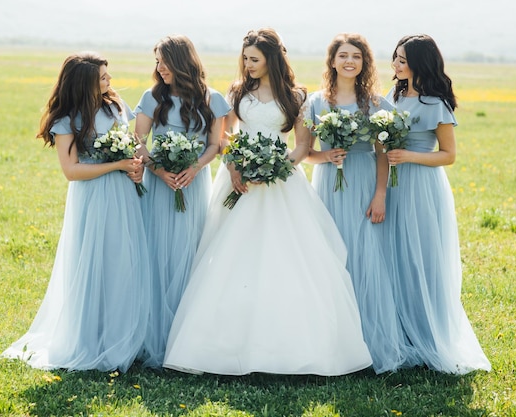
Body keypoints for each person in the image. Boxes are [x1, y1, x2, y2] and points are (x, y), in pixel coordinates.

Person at [163, 28, 372, 376]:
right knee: (231, 257)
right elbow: (225, 138)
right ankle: (222, 345)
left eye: (254, 60)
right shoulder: (237, 91)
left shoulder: (296, 96)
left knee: (285, 257)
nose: (248, 65)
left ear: (272, 59)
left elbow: (303, 146)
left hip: (281, 184)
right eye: (245, 59)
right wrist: (234, 169)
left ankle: (287, 346)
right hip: (238, 180)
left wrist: (277, 168)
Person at [2, 52, 150, 372]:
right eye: (102, 78)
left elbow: (132, 146)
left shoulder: (116, 107)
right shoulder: (66, 120)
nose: (109, 81)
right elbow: (71, 170)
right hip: (93, 198)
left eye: (108, 76)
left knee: (122, 262)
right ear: (84, 83)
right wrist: (117, 165)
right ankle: (90, 339)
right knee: (95, 262)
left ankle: (123, 336)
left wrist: (134, 168)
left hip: (123, 195)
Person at [384, 34, 491, 374]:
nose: (397, 65)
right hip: (392, 184)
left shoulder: (436, 104)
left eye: (403, 59)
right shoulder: (393, 96)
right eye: (395, 59)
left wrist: (409, 156)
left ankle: (430, 333)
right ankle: (400, 331)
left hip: (421, 186)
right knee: (395, 254)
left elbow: (449, 155)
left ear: (420, 62)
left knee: (423, 256)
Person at [306, 33, 405, 374]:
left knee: (365, 257)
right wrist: (326, 155)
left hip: (364, 182)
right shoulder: (316, 102)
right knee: (330, 258)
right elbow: (305, 153)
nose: (350, 61)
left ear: (364, 63)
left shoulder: (377, 105)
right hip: (329, 185)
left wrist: (380, 195)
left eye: (357, 57)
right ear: (332, 61)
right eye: (343, 55)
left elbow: (384, 155)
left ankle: (368, 342)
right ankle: (332, 343)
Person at [134, 35, 229, 368]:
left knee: (188, 253)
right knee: (156, 252)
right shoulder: (152, 97)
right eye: (156, 62)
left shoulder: (213, 99)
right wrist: (159, 170)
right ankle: (151, 335)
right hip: (159, 185)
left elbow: (215, 146)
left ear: (181, 61)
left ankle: (185, 339)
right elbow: (138, 141)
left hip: (193, 183)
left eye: (164, 61)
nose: (159, 68)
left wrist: (194, 167)